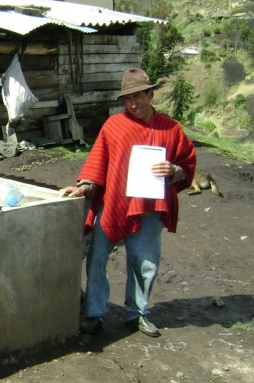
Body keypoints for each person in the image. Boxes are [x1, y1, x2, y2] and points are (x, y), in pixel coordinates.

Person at [61, 68, 196, 337]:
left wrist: (174, 171)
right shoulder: (114, 127)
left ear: (151, 94)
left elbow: (186, 165)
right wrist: (85, 187)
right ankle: (95, 313)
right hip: (114, 205)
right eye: (128, 99)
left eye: (139, 96)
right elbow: (98, 162)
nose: (134, 103)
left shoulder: (171, 129)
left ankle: (137, 312)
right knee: (97, 260)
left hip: (149, 208)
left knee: (144, 262)